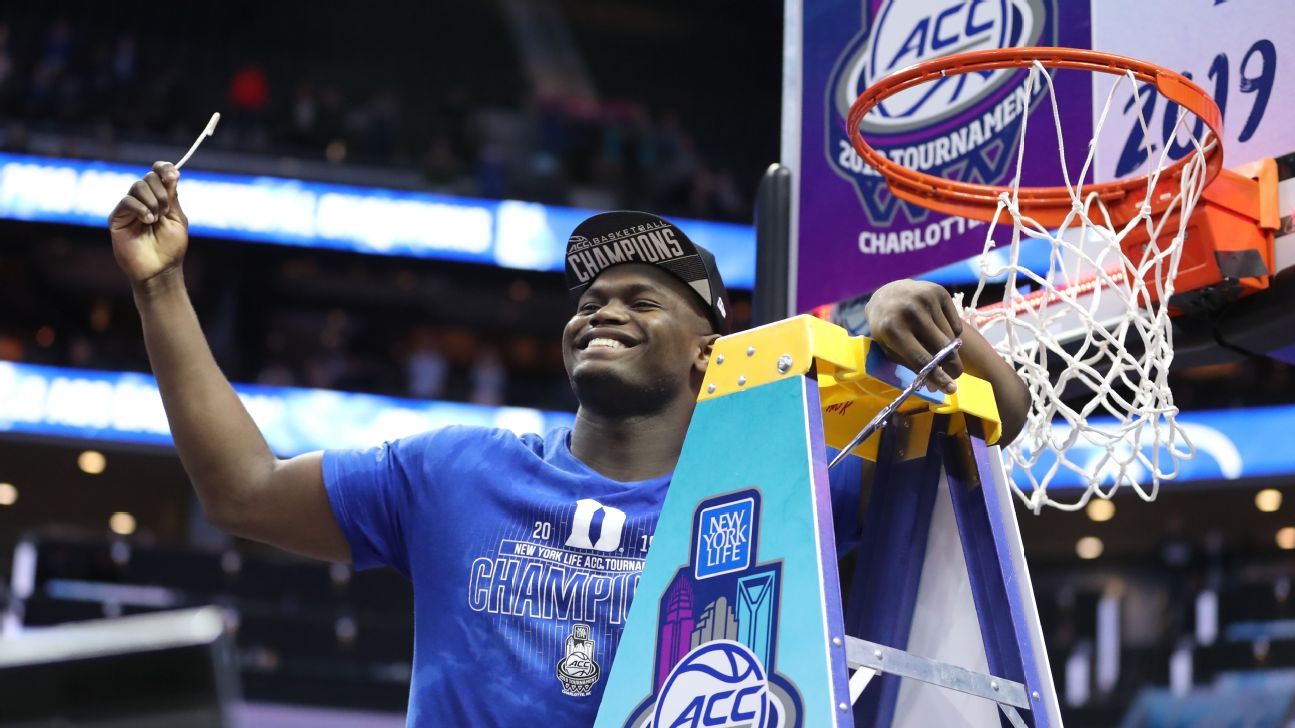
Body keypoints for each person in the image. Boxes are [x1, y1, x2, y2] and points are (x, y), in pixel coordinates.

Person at [108, 161, 1029, 725]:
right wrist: (159, 289)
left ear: (711, 350)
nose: (601, 311)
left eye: (641, 300)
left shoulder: (778, 493)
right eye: (589, 301)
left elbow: (992, 431)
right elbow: (241, 490)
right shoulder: (451, 473)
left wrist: (934, 321)